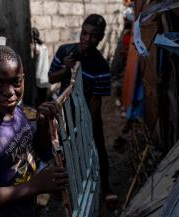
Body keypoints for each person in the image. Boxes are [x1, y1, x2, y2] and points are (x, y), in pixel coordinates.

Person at [0, 45, 68, 217]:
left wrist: (41, 126)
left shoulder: (16, 112)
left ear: (23, 79)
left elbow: (36, 151)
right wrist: (35, 186)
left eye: (15, 82)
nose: (10, 92)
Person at [48, 14, 119, 208]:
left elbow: (96, 102)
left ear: (101, 38)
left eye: (93, 36)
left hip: (88, 113)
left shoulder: (101, 66)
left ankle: (105, 187)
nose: (87, 39)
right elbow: (52, 78)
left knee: (98, 147)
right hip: (65, 113)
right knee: (61, 149)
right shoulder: (65, 51)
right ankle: (60, 188)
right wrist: (66, 69)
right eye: (84, 33)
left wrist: (88, 126)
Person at [31, 27, 50, 106]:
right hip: (45, 76)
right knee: (43, 98)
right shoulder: (44, 47)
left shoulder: (37, 49)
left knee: (39, 100)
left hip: (39, 77)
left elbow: (33, 62)